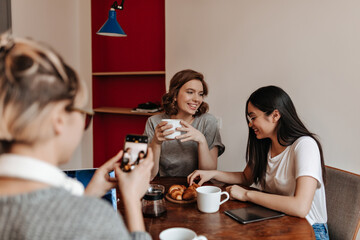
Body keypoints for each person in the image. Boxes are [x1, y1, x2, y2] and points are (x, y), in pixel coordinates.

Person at [0, 34, 153, 240]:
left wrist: (90, 193)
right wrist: (133, 200)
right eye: (85, 116)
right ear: (59, 119)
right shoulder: (95, 220)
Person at [188, 86, 329, 240]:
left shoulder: (304, 145)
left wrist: (247, 194)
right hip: (277, 222)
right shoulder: (266, 145)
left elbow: (300, 207)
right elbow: (245, 177)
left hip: (310, 230)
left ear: (275, 115)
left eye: (253, 117)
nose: (250, 124)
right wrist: (212, 174)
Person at [144, 69, 225, 179]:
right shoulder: (154, 122)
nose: (197, 99)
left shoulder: (208, 122)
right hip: (164, 187)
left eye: (200, 94)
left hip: (196, 187)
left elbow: (209, 173)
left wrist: (201, 140)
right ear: (175, 95)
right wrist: (156, 143)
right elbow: (149, 175)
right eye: (190, 92)